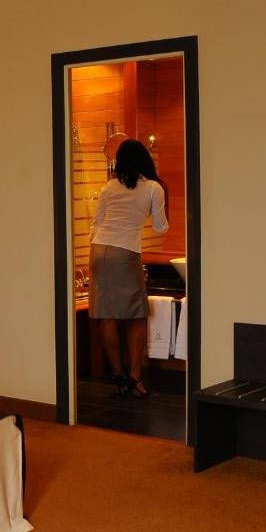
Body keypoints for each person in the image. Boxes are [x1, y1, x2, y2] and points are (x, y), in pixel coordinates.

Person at [89, 138, 169, 397]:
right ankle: (135, 377)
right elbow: (160, 227)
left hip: (98, 250)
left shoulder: (109, 187)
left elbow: (96, 223)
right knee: (136, 315)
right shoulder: (153, 188)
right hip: (125, 252)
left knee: (107, 313)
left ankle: (118, 375)